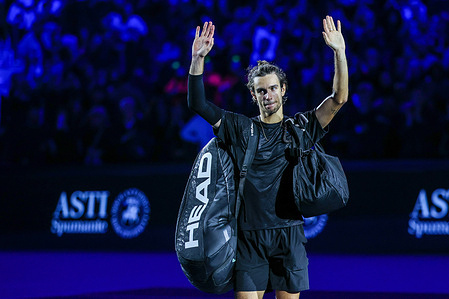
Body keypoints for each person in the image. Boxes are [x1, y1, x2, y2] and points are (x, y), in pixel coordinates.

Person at [187, 16, 348, 299]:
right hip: (249, 238)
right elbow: (198, 104)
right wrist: (198, 59)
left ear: (283, 90)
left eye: (273, 88)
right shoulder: (239, 127)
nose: (268, 95)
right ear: (253, 95)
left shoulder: (301, 127)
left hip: (289, 235)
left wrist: (339, 53)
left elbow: (338, 98)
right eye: (261, 90)